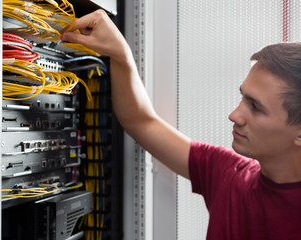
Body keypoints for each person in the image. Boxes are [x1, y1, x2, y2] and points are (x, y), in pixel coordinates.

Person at [62, 10, 301, 240]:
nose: (234, 115)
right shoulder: (230, 174)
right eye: (243, 98)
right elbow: (141, 122)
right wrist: (121, 53)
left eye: (256, 107)